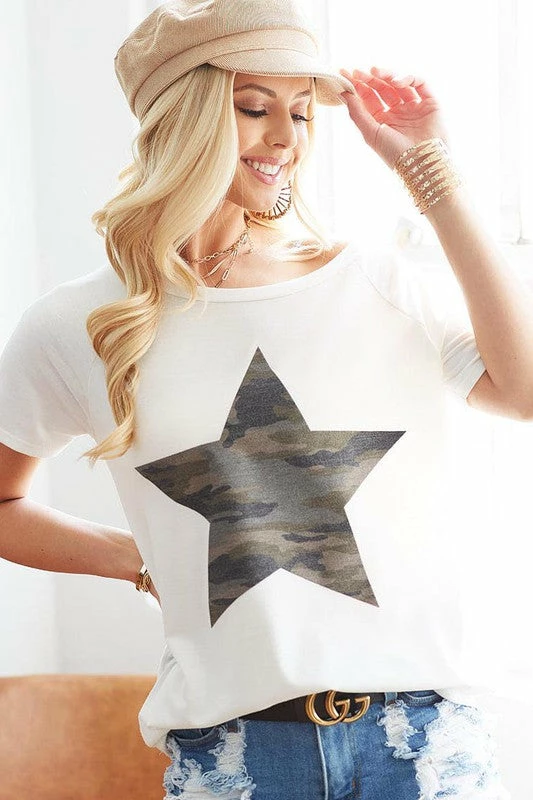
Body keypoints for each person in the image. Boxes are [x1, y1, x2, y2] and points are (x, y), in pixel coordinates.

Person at [1, 0, 531, 797]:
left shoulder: (373, 283)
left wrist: (431, 172)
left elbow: (523, 391)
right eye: (254, 108)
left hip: (420, 744)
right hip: (235, 757)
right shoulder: (81, 323)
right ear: (181, 122)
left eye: (300, 111)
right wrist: (141, 562)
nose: (286, 136)